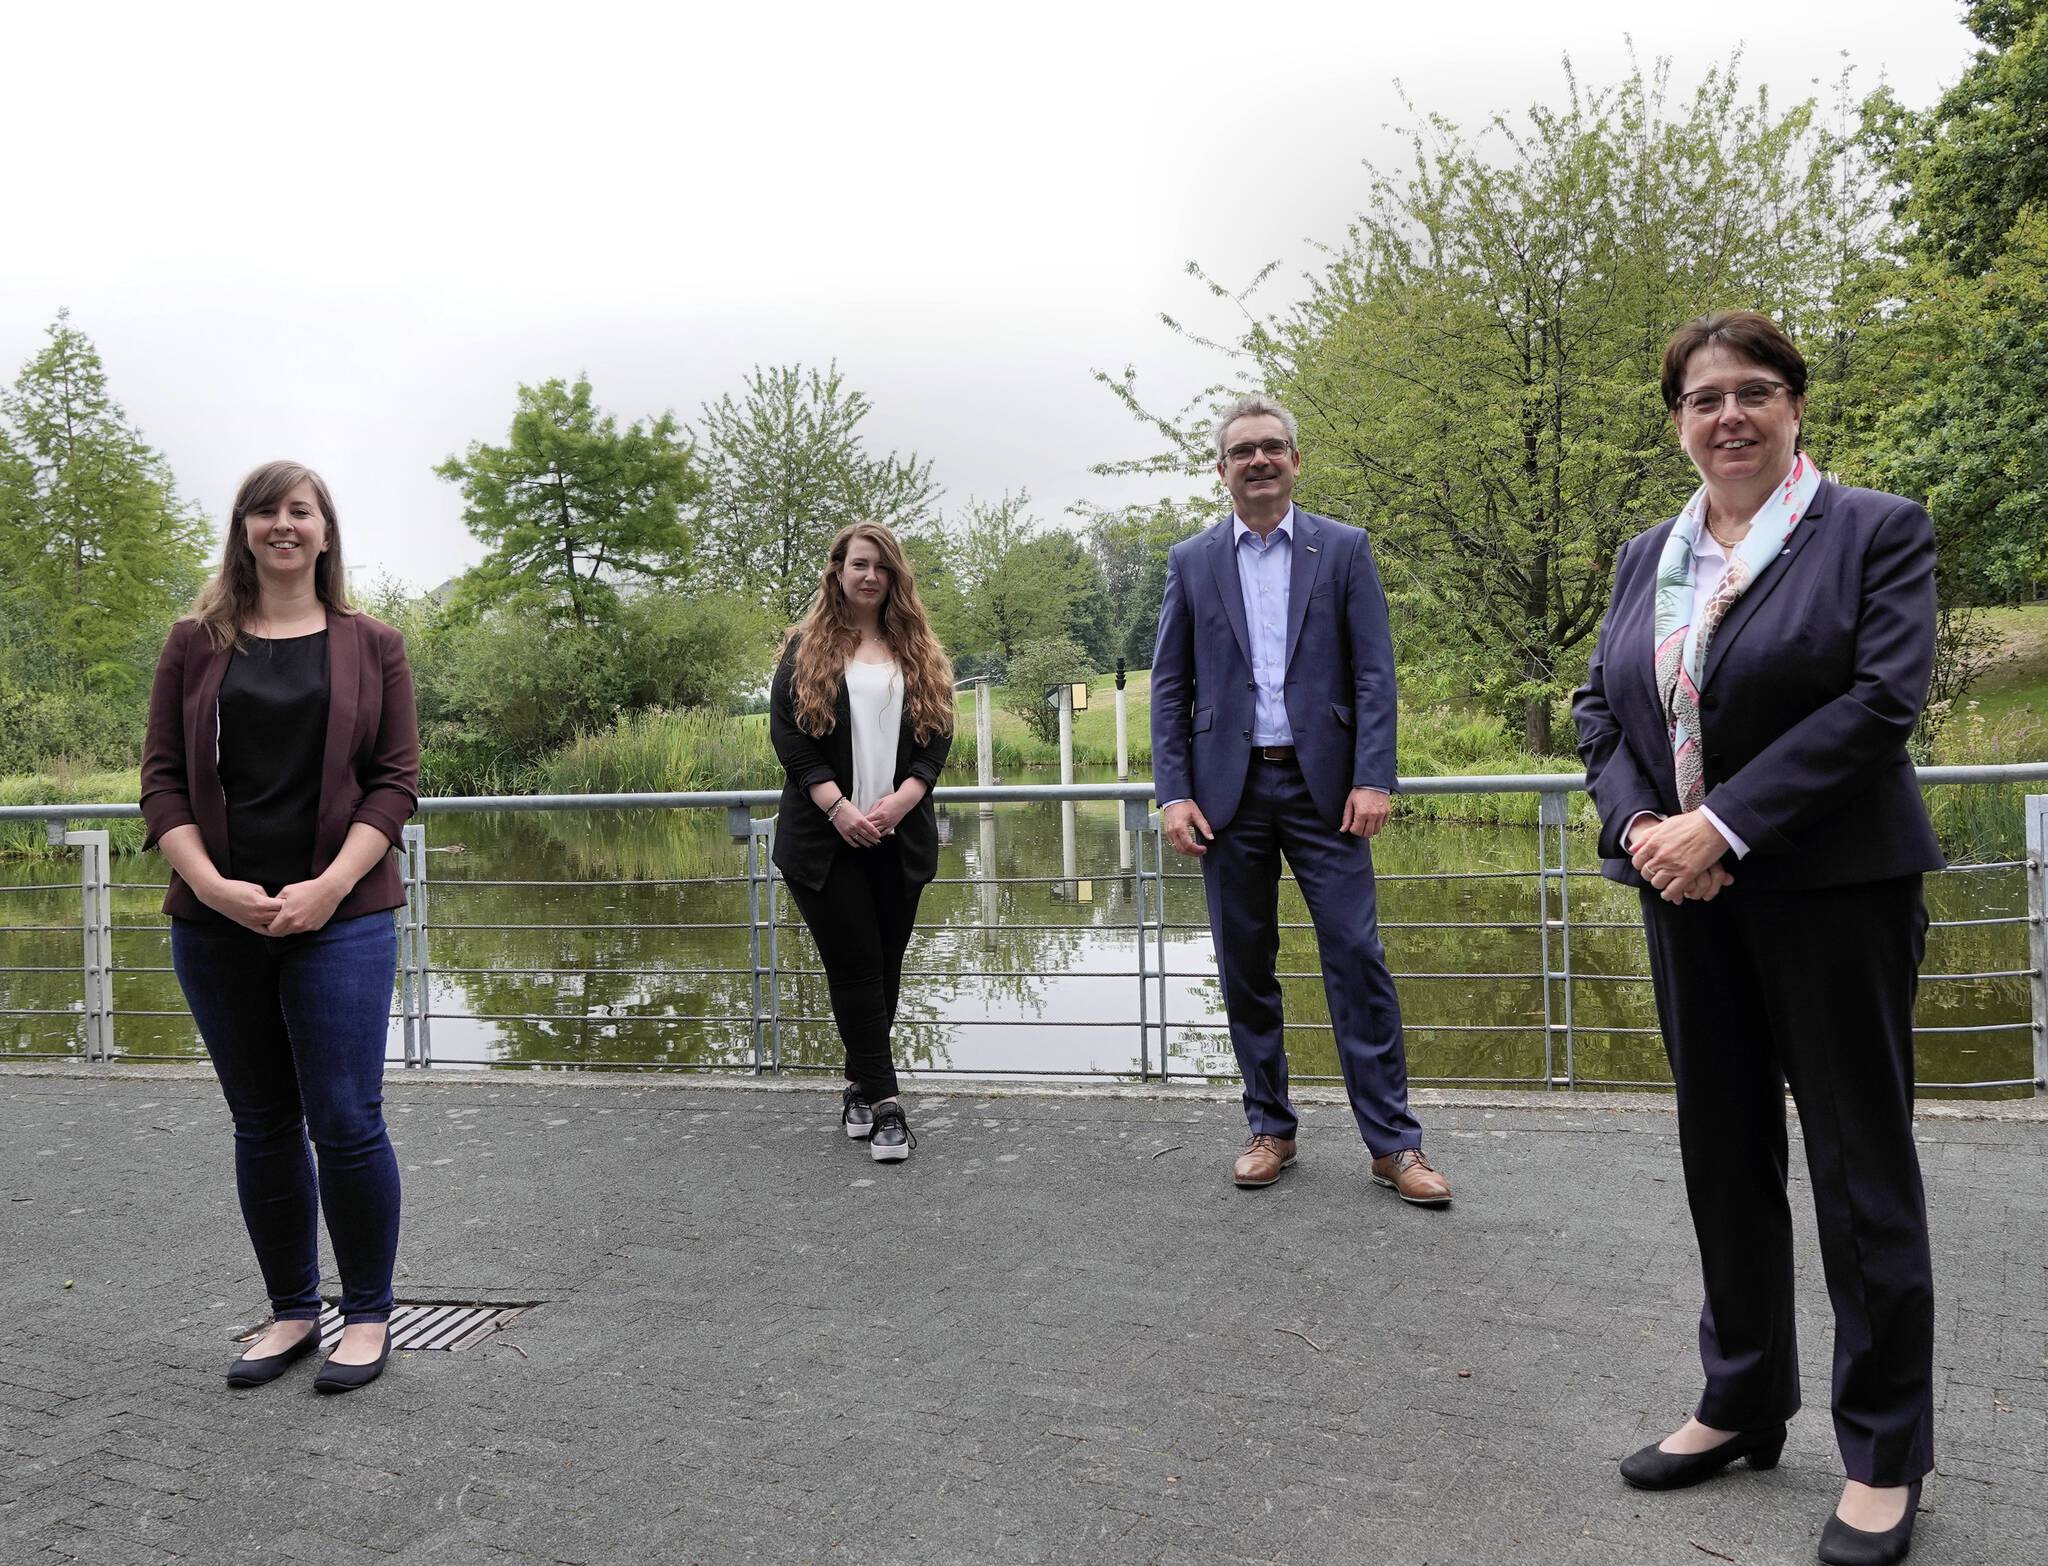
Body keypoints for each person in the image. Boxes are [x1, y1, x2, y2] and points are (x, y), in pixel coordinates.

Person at [1573, 311, 1941, 1565]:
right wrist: (1642, 831)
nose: (1726, 415)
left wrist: (1719, 824)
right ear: (1675, 421)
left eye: (1752, 392)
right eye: (1700, 398)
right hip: (1683, 897)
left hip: (1831, 891)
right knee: (1721, 1153)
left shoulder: (1872, 531)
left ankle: (1882, 1452)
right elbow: (1595, 708)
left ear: (1793, 405)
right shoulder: (1645, 555)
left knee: (1855, 1169)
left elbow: (1879, 700)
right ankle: (1739, 1398)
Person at [140, 461, 419, 1394]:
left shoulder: (373, 644)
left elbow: (395, 782)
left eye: (300, 510)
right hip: (218, 922)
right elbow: (161, 780)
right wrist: (213, 887)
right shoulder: (194, 644)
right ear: (244, 530)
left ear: (326, 533)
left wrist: (329, 888)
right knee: (262, 1122)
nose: (283, 524)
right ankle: (294, 1310)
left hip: (340, 918)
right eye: (266, 511)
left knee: (345, 1119)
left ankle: (368, 1316)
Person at [1149, 394, 1449, 1205]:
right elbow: (1171, 687)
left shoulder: (1343, 550)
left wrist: (1374, 775)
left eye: (1273, 447)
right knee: (1246, 965)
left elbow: (1375, 673)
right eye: (1243, 450)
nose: (1259, 460)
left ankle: (1394, 1144)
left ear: (1294, 461)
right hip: (1226, 794)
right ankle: (1270, 1129)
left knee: (1357, 958)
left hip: (1327, 792)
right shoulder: (1191, 561)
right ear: (1222, 469)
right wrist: (1172, 792)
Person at [770, 522, 953, 1163]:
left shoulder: (918, 649)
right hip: (826, 841)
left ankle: (856, 1084)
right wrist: (839, 808)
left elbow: (937, 739)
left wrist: (903, 799)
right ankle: (886, 1106)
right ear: (838, 572)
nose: (869, 576)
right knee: (855, 966)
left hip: (897, 837)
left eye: (880, 566)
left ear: (895, 576)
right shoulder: (806, 647)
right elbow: (789, 738)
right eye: (858, 565)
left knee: (886, 966)